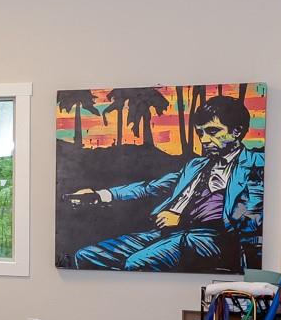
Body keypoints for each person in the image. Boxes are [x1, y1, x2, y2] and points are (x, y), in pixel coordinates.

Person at [66, 96, 263, 271]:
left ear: (236, 131)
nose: (204, 140)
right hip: (168, 234)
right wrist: (99, 195)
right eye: (201, 133)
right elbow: (149, 187)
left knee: (137, 263)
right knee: (87, 256)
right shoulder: (196, 165)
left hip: (215, 240)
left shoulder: (254, 164)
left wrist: (183, 219)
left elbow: (250, 219)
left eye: (212, 131)